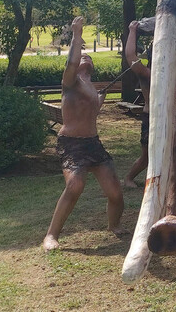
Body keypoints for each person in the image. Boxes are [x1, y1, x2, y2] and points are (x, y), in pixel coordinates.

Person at [43, 17, 126, 251]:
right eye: (82, 55)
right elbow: (70, 64)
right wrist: (76, 35)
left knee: (116, 193)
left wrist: (98, 101)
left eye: (88, 56)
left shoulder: (92, 88)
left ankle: (114, 225)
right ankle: (51, 235)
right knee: (75, 186)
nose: (85, 57)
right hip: (72, 144)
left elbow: (91, 115)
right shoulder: (71, 81)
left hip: (93, 144)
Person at [123, 20, 151, 189]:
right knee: (146, 156)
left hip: (173, 117)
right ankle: (128, 178)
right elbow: (131, 57)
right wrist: (132, 30)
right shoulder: (147, 72)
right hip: (151, 118)